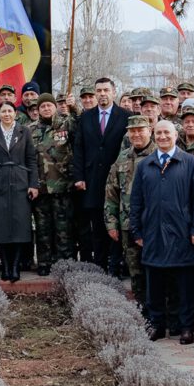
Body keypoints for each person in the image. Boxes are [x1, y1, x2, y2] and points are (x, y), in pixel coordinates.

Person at [131, 120, 194, 344]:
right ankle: (157, 325)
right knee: (154, 286)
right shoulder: (144, 165)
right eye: (159, 133)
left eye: (167, 132)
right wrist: (137, 231)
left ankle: (186, 328)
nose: (163, 136)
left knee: (185, 286)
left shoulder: (190, 162)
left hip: (183, 234)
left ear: (176, 135)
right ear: (153, 135)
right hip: (152, 234)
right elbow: (136, 201)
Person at [72, 78, 133, 270]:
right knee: (97, 225)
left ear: (114, 92)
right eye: (99, 91)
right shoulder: (86, 117)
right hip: (92, 180)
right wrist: (79, 177)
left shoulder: (126, 116)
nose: (102, 94)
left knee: (116, 226)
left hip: (118, 180)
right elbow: (79, 148)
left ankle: (116, 266)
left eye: (106, 90)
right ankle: (99, 266)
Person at [0, 101, 39, 282]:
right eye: (3, 111)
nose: (6, 114)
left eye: (9, 111)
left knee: (20, 226)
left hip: (20, 182)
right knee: (0, 226)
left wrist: (33, 184)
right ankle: (5, 267)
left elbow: (31, 159)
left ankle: (15, 267)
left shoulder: (24, 131)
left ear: (15, 113)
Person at [106, 116, 156, 306]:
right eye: (132, 131)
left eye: (140, 130)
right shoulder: (122, 157)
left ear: (149, 130)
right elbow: (111, 192)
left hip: (154, 224)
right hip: (127, 224)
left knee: (157, 269)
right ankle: (142, 307)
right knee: (135, 270)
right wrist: (111, 223)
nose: (136, 134)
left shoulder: (159, 155)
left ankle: (160, 310)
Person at [31, 94, 74, 274]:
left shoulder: (66, 124)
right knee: (43, 228)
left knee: (63, 229)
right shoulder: (30, 129)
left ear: (55, 107)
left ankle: (64, 264)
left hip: (62, 186)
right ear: (38, 110)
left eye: (49, 105)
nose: (46, 108)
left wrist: (74, 107)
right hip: (40, 188)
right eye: (43, 106)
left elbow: (79, 122)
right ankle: (44, 263)